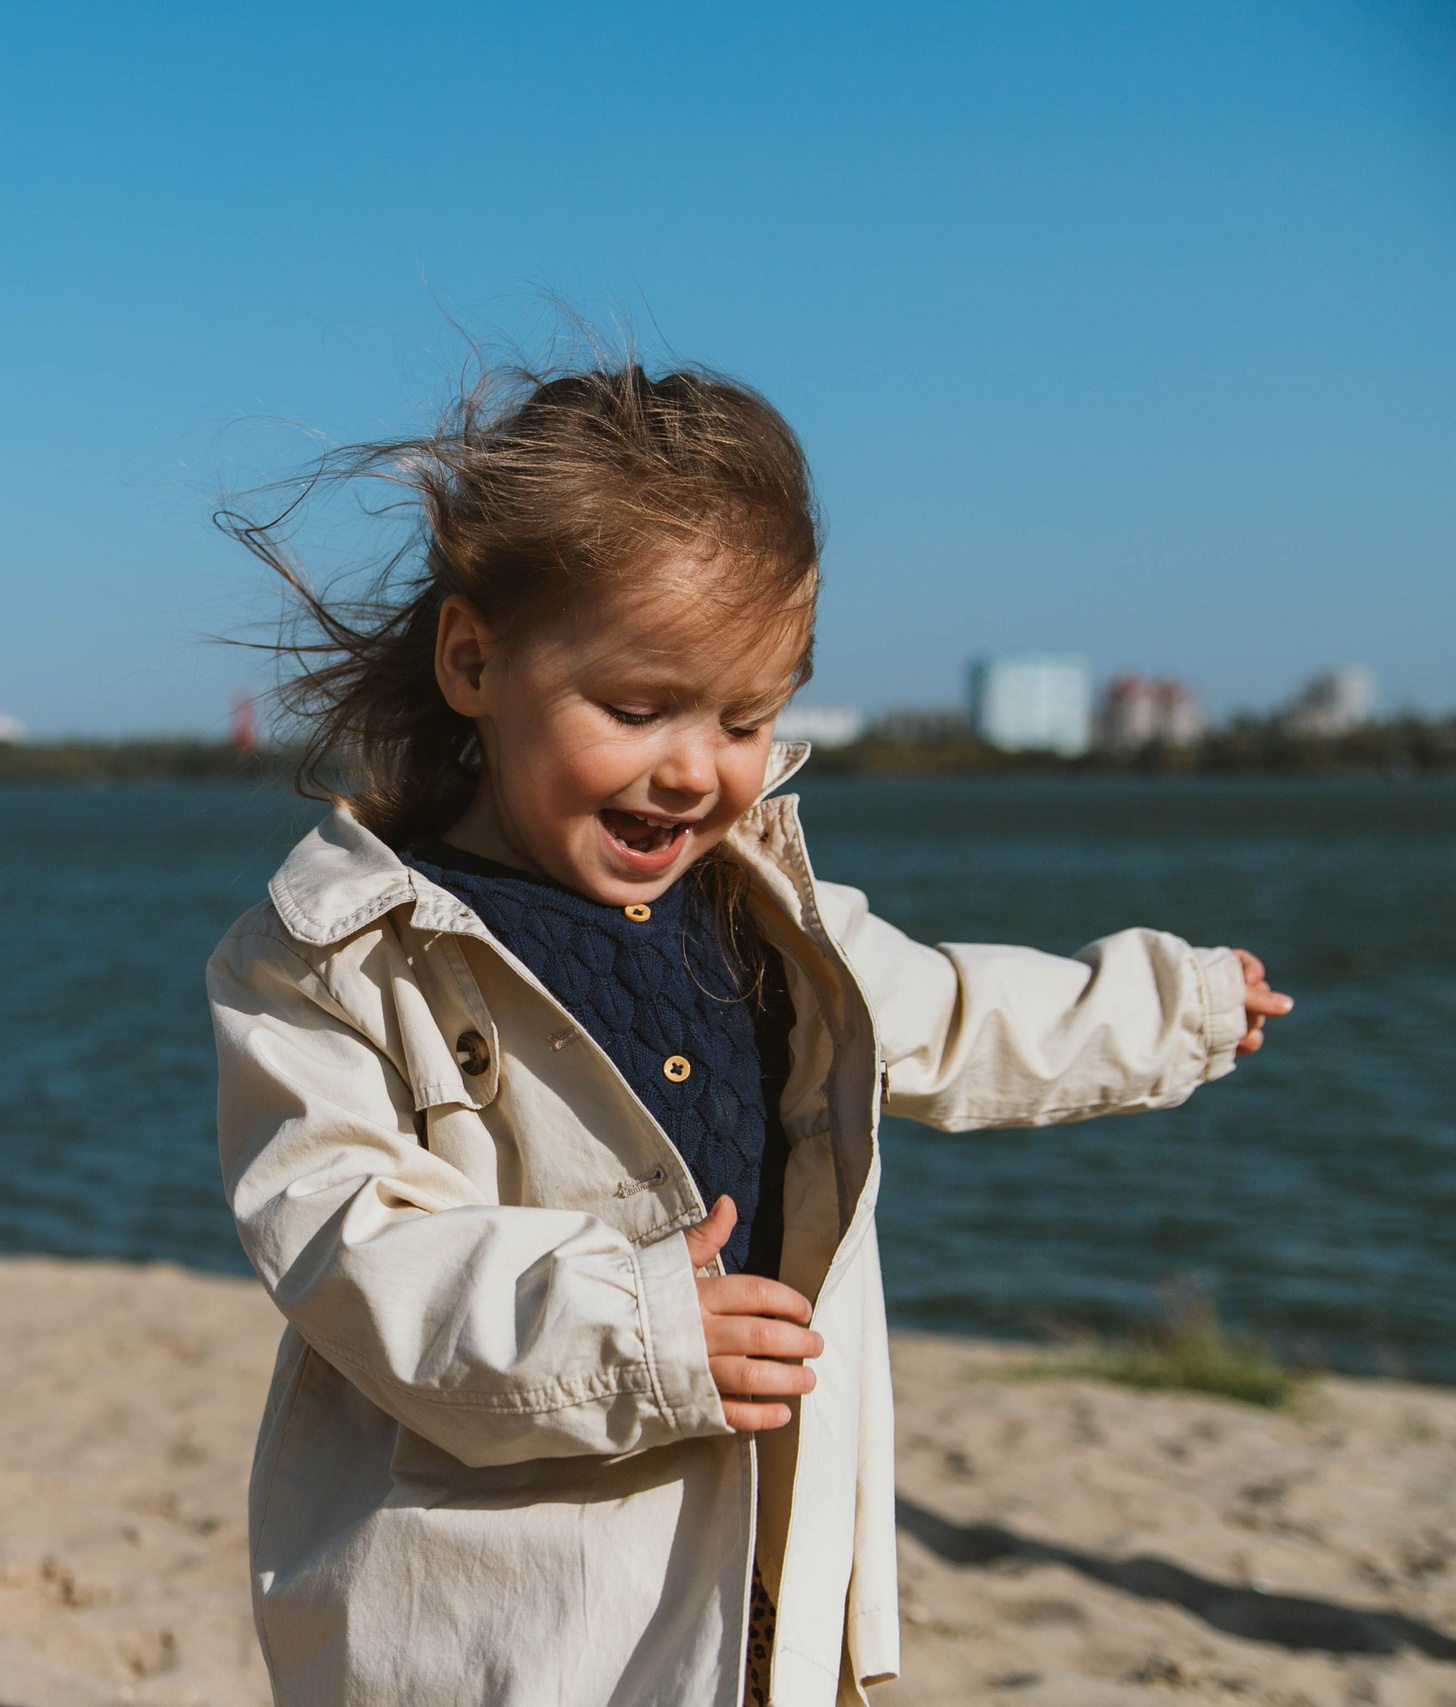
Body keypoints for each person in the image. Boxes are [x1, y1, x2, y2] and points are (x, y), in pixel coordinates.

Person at [204, 359, 1291, 1707]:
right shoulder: (334, 961)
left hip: (763, 1569)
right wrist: (643, 1330)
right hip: (504, 1613)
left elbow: (952, 1014)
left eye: (747, 718)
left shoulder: (760, 922)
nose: (695, 768)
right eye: (638, 706)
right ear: (475, 659)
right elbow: (354, 1250)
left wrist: (1169, 1008)